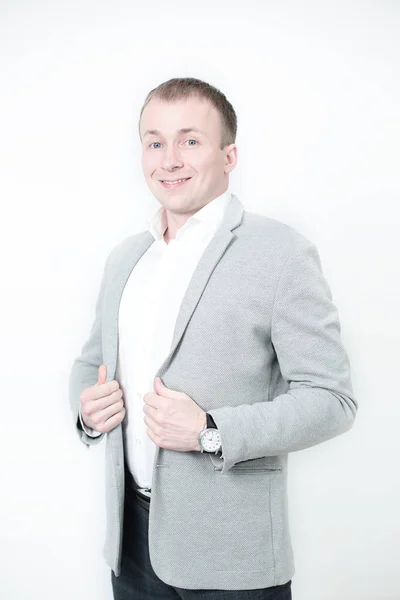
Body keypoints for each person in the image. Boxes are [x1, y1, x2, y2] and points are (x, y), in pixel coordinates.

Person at [69, 77, 358, 599]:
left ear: (229, 156)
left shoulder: (281, 253)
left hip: (234, 558)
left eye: (190, 140)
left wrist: (210, 430)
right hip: (132, 545)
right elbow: (90, 363)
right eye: (155, 142)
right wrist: (88, 411)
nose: (170, 159)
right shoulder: (125, 260)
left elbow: (332, 400)